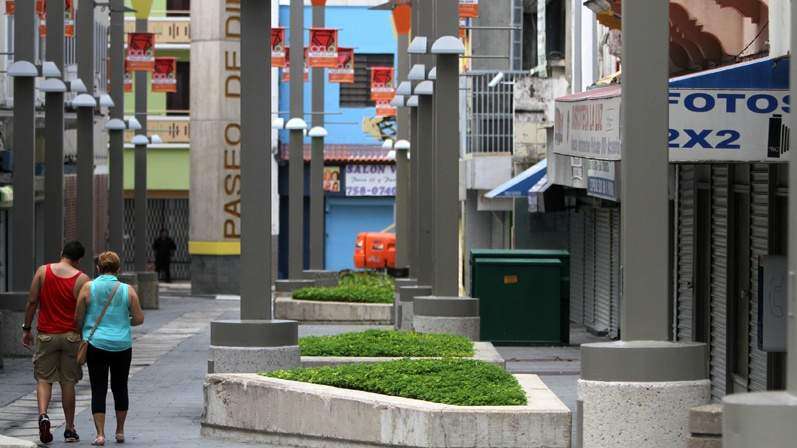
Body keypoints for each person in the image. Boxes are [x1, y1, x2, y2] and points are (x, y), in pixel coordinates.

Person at [22, 241, 90, 444]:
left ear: (62, 253)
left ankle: (43, 415)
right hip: (71, 336)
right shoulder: (82, 279)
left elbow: (32, 301)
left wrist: (26, 328)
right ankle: (70, 429)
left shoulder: (43, 272)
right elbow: (85, 309)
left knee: (44, 379)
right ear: (78, 260)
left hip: (46, 335)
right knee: (68, 382)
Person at [75, 252, 145, 446]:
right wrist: (124, 320)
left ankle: (100, 434)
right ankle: (120, 431)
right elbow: (139, 318)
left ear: (98, 268)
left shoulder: (88, 288)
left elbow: (78, 317)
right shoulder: (127, 290)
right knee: (120, 387)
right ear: (118, 269)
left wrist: (84, 330)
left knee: (98, 388)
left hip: (96, 344)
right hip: (122, 345)